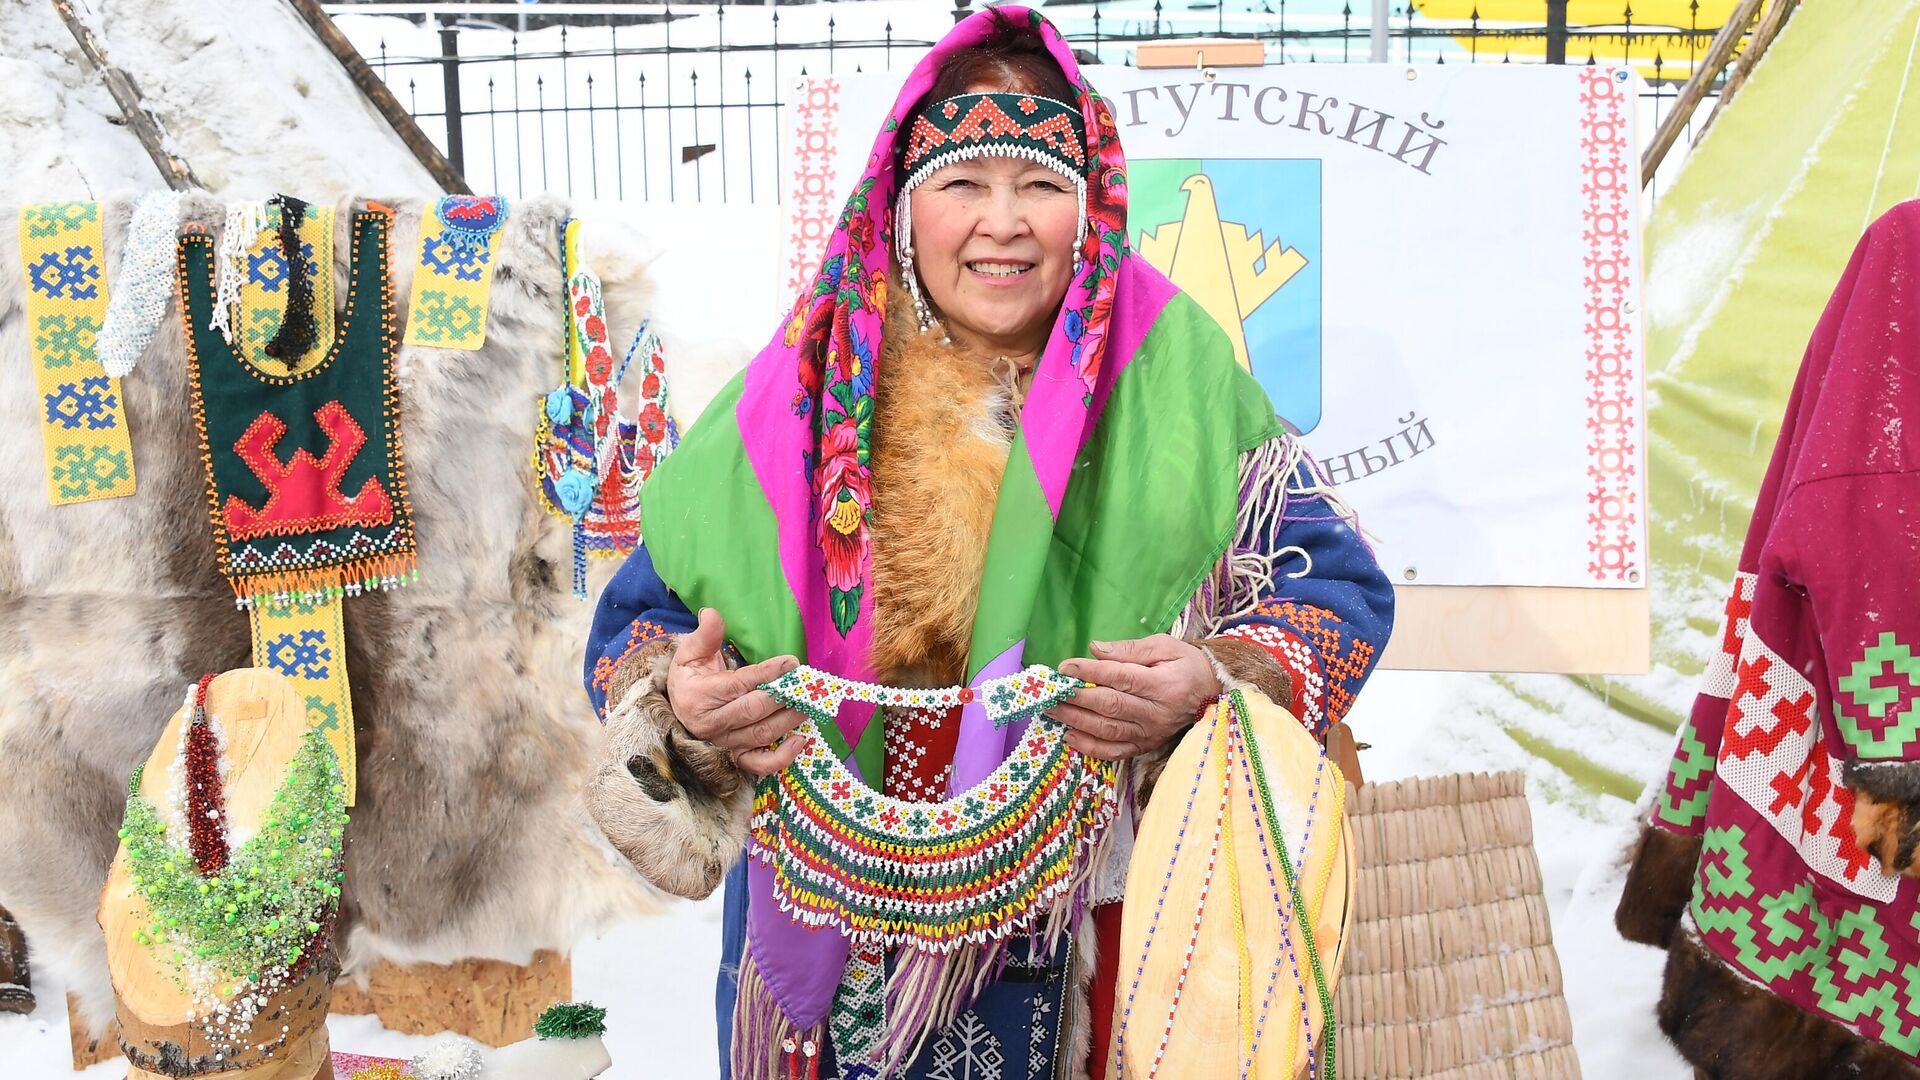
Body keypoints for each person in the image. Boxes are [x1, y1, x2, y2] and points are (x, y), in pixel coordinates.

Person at [581, 8, 1394, 1077]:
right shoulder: (805, 388)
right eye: (963, 183)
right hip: (825, 931)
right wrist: (678, 693)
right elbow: (644, 616)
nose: (1002, 224)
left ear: (1090, 204)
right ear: (901, 203)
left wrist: (1213, 679)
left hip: (1096, 926)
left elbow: (1336, 585)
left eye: (1040, 186)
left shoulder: (1172, 370)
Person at [1616, 202, 1920, 1078]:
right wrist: (1895, 754)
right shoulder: (1910, 245)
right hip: (1868, 684)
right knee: (1833, 969)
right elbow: (1863, 509)